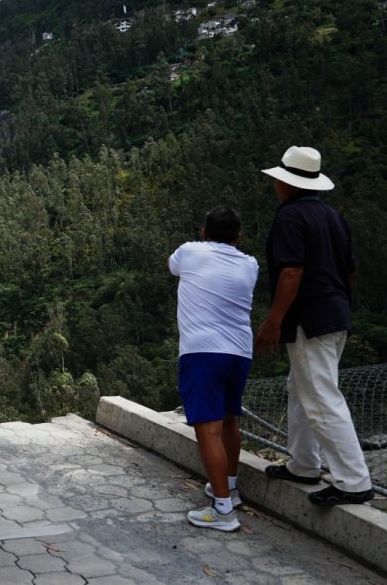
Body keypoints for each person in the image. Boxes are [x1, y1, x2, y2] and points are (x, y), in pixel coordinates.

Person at [256, 146, 374, 506]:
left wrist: (274, 321)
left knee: (321, 395)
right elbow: (350, 269)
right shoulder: (332, 216)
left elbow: (291, 271)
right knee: (301, 387)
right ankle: (304, 463)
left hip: (309, 317)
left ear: (286, 184)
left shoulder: (289, 218)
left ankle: (353, 482)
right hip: (335, 313)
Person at [169, 206, 259, 532]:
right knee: (229, 420)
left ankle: (222, 511)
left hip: (202, 352)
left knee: (207, 429)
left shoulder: (189, 251)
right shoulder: (250, 264)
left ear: (204, 231)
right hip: (239, 352)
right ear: (238, 236)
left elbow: (173, 268)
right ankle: (230, 490)